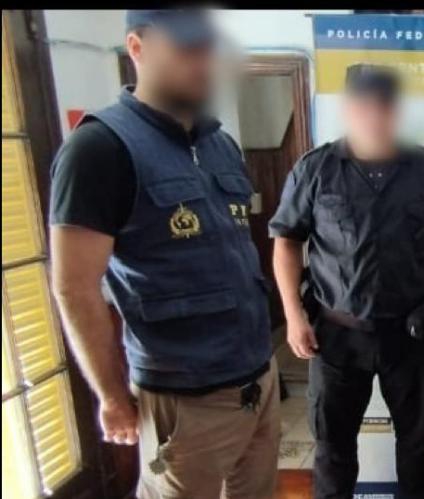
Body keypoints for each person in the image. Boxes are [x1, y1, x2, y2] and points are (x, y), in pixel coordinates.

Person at [49, 10, 278, 499]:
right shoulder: (99, 148)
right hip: (185, 397)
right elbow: (74, 286)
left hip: (259, 377)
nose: (203, 62)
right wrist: (111, 395)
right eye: (186, 48)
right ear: (137, 48)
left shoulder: (220, 144)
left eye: (208, 48)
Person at [269, 63, 424, 499]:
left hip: (410, 337)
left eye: (384, 106)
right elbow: (287, 242)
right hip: (336, 338)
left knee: (418, 446)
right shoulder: (315, 169)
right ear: (348, 109)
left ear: (396, 111)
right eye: (364, 106)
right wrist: (293, 316)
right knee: (333, 449)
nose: (375, 115)